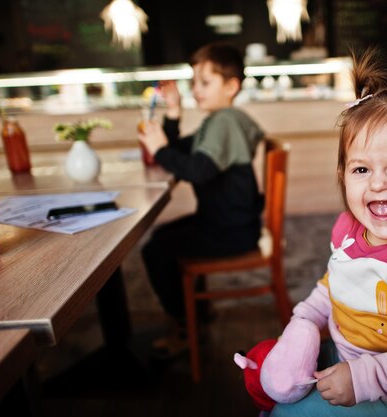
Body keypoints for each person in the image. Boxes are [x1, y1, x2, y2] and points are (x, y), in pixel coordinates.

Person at [242, 48, 387, 416]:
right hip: (346, 353)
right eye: (361, 170)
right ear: (343, 177)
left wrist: (361, 378)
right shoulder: (348, 230)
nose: (378, 185)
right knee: (270, 378)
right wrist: (305, 318)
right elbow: (334, 283)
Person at [138, 42, 265, 358]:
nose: (196, 89)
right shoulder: (221, 120)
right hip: (230, 223)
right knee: (162, 239)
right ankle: (196, 315)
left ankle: (185, 326)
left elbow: (197, 169)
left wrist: (159, 150)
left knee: (157, 250)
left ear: (231, 86)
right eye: (194, 82)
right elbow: (181, 149)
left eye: (205, 82)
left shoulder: (224, 122)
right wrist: (173, 115)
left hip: (229, 230)